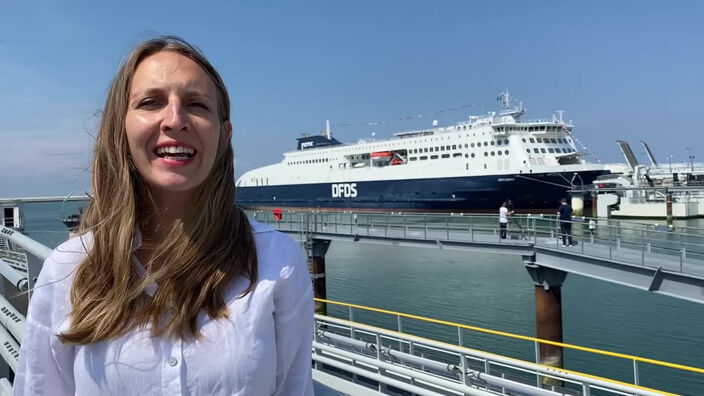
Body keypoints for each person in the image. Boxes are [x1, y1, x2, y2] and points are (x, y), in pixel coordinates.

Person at [14, 36, 314, 395]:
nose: (175, 119)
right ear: (120, 129)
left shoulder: (277, 263)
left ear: (224, 134)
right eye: (150, 102)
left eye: (197, 104)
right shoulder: (68, 269)